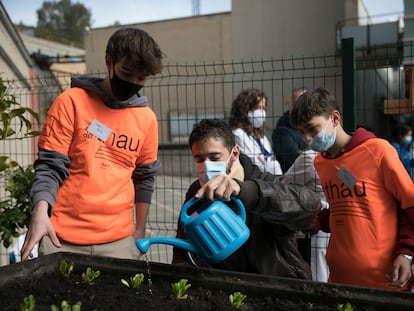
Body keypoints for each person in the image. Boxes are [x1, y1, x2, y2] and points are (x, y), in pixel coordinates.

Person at [20, 28, 164, 261]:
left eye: (141, 79)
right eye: (127, 73)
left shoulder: (146, 119)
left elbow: (144, 177)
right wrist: (40, 213)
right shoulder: (71, 102)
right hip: (62, 239)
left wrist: (139, 231)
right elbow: (49, 166)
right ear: (109, 61)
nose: (133, 83)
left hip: (119, 242)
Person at [289, 87, 414, 291]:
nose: (307, 139)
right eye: (302, 132)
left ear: (335, 118)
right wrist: (318, 220)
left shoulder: (378, 151)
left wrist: (406, 253)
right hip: (340, 277)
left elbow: (410, 203)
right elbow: (347, 209)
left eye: (312, 129)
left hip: (384, 279)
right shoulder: (321, 162)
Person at [172, 119, 322, 279]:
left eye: (215, 157)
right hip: (223, 289)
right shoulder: (198, 193)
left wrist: (245, 191)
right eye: (199, 159)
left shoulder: (265, 184)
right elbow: (182, 252)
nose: (206, 165)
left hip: (275, 285)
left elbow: (310, 205)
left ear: (234, 153)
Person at [284, 149, 330, 282]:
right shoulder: (310, 158)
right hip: (316, 229)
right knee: (320, 276)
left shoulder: (350, 159)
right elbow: (286, 186)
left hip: (343, 228)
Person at [229, 88, 282, 175]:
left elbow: (270, 160)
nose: (261, 112)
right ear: (245, 110)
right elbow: (255, 163)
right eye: (258, 108)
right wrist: (265, 162)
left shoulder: (261, 136)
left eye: (263, 108)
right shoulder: (238, 134)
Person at [272, 87, 309, 173]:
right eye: (296, 103)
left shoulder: (312, 124)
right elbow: (295, 159)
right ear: (290, 106)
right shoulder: (282, 131)